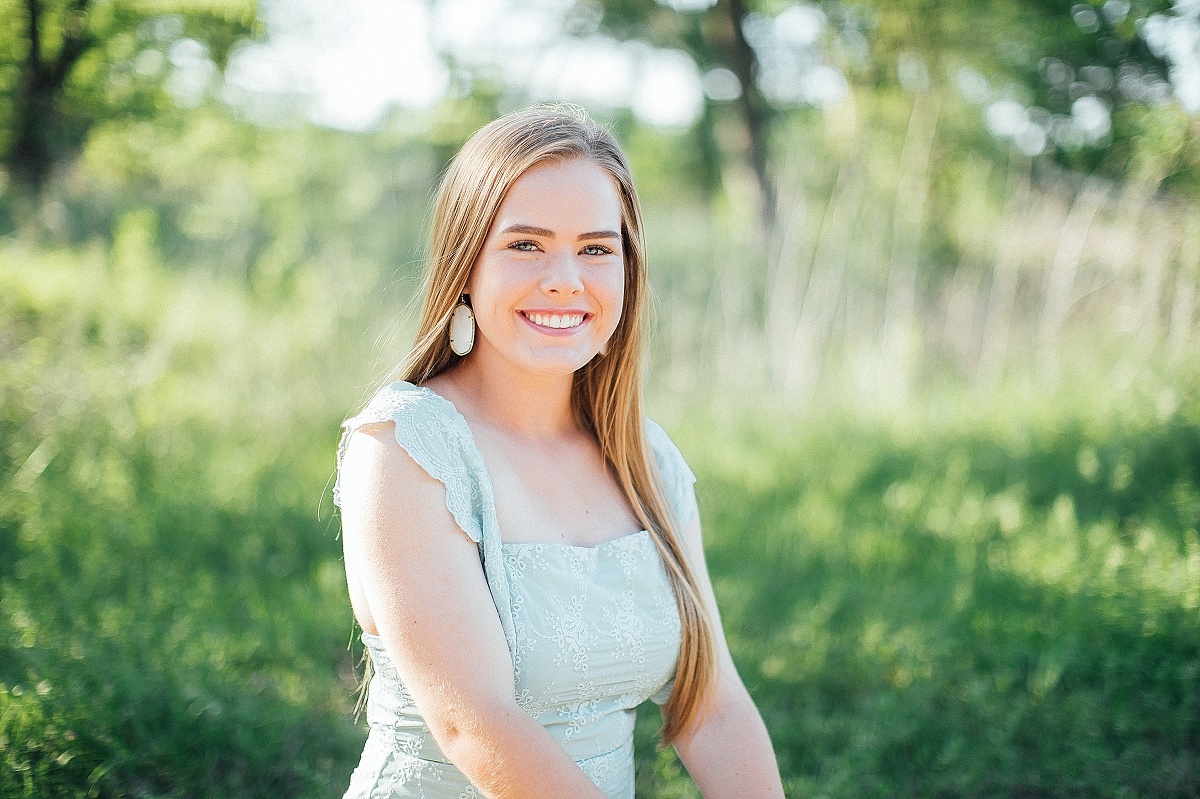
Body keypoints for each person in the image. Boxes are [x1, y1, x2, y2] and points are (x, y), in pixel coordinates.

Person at [333, 104, 785, 799]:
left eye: (597, 248)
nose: (566, 278)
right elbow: (475, 723)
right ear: (464, 263)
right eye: (526, 244)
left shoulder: (646, 459)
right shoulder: (406, 448)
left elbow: (712, 707)